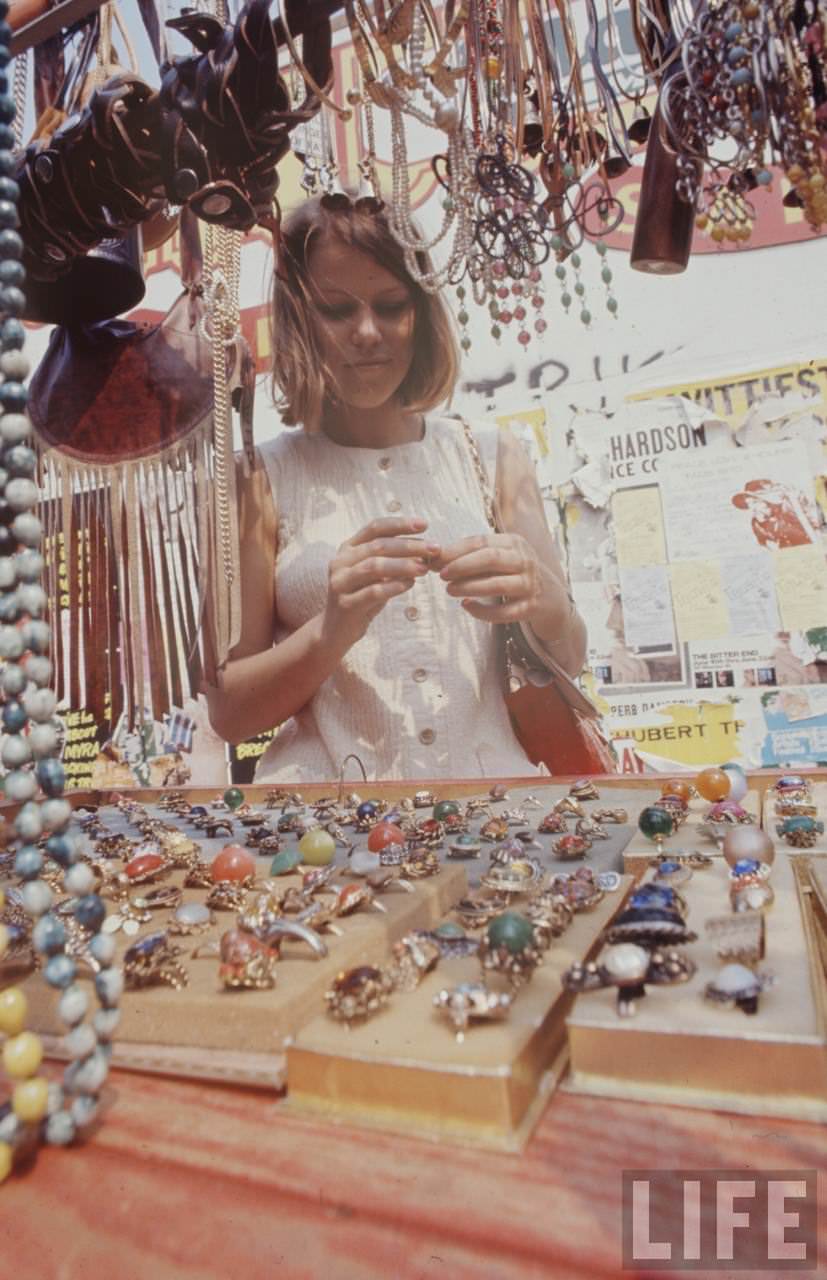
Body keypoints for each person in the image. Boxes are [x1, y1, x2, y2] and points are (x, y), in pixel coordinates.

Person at [205, 196, 586, 781]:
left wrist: (543, 599)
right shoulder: (256, 478)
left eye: (391, 306)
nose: (366, 332)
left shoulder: (493, 458)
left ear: (423, 313)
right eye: (335, 309)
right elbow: (230, 712)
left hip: (491, 821)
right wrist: (331, 631)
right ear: (298, 318)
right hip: (325, 841)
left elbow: (572, 658)